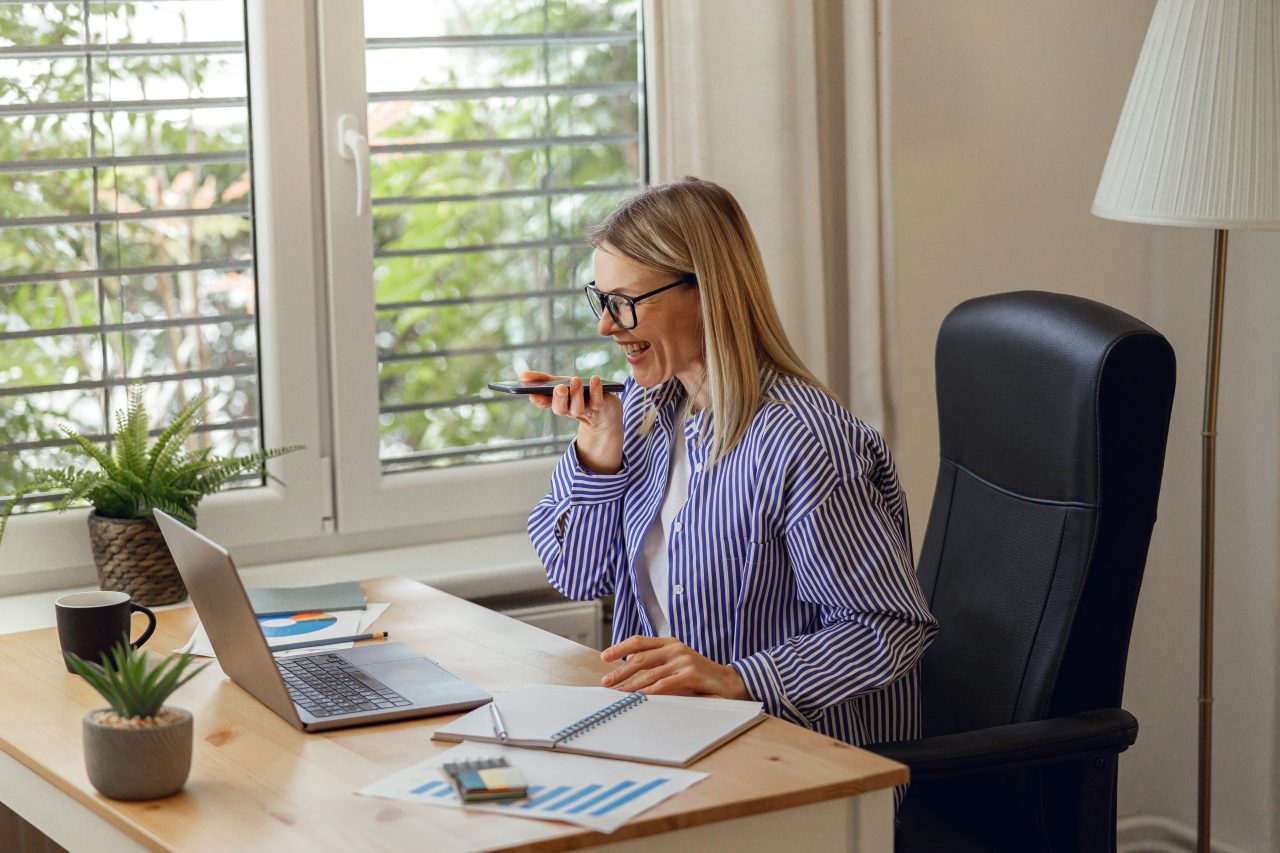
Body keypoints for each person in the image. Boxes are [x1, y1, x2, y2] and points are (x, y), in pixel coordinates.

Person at [524, 177, 938, 760]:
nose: (607, 327)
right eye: (602, 299)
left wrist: (740, 679)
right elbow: (577, 576)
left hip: (802, 765)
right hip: (675, 737)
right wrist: (597, 450)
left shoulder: (808, 443)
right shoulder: (649, 412)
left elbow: (888, 626)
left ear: (705, 292)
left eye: (625, 303)